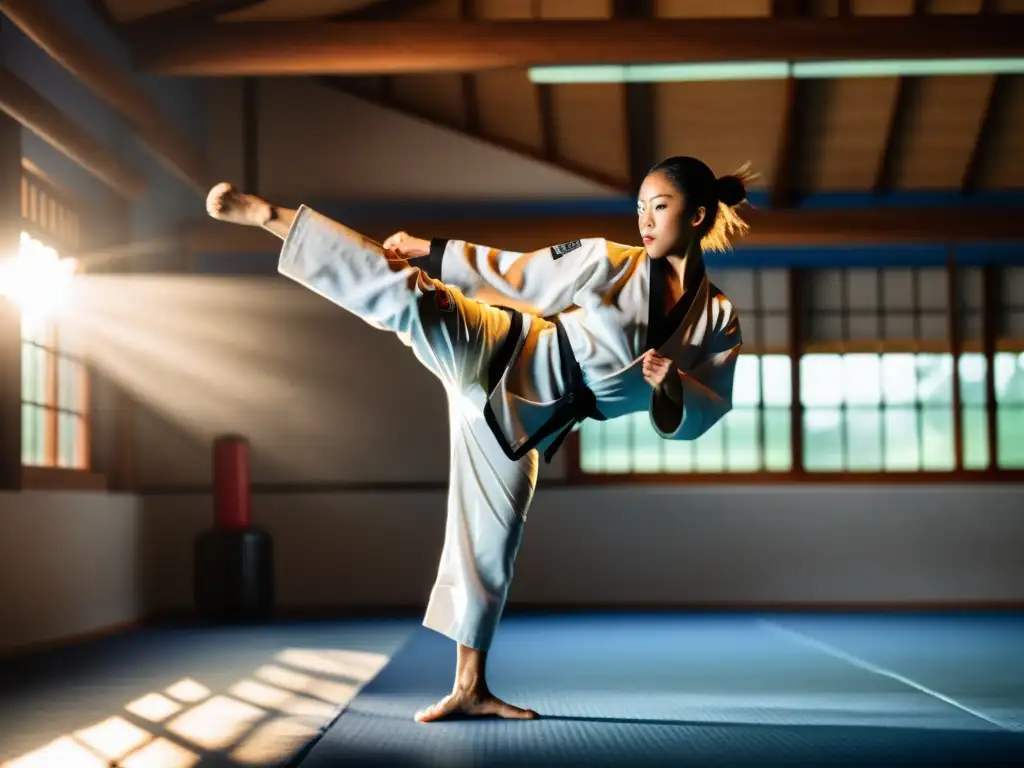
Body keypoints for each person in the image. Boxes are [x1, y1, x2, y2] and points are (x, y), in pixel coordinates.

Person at [204, 155, 749, 724]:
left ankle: (469, 687)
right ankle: (273, 217)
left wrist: (672, 388)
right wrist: (434, 250)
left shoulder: (717, 318)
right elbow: (519, 273)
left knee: (493, 543)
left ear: (698, 214)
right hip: (507, 348)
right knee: (408, 296)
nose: (644, 220)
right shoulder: (609, 261)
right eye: (639, 207)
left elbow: (709, 405)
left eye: (658, 207)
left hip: (527, 425)